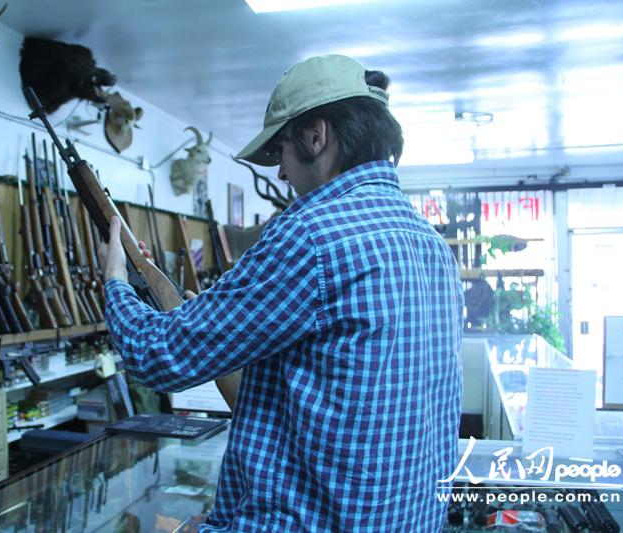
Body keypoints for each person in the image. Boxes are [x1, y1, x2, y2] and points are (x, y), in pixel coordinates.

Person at [103, 54, 463, 532]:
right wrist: (211, 317)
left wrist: (114, 281)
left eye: (281, 152)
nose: (281, 174)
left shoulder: (312, 236)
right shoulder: (431, 243)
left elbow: (157, 355)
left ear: (316, 135)